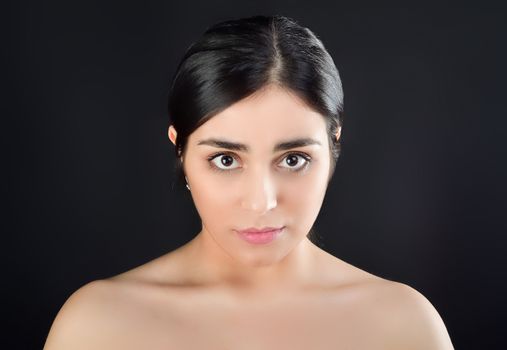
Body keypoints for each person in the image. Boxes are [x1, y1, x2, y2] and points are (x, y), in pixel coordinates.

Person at [43, 15, 454, 349]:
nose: (261, 202)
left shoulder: (404, 326)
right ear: (180, 151)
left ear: (334, 146)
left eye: (293, 159)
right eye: (225, 159)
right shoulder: (97, 327)